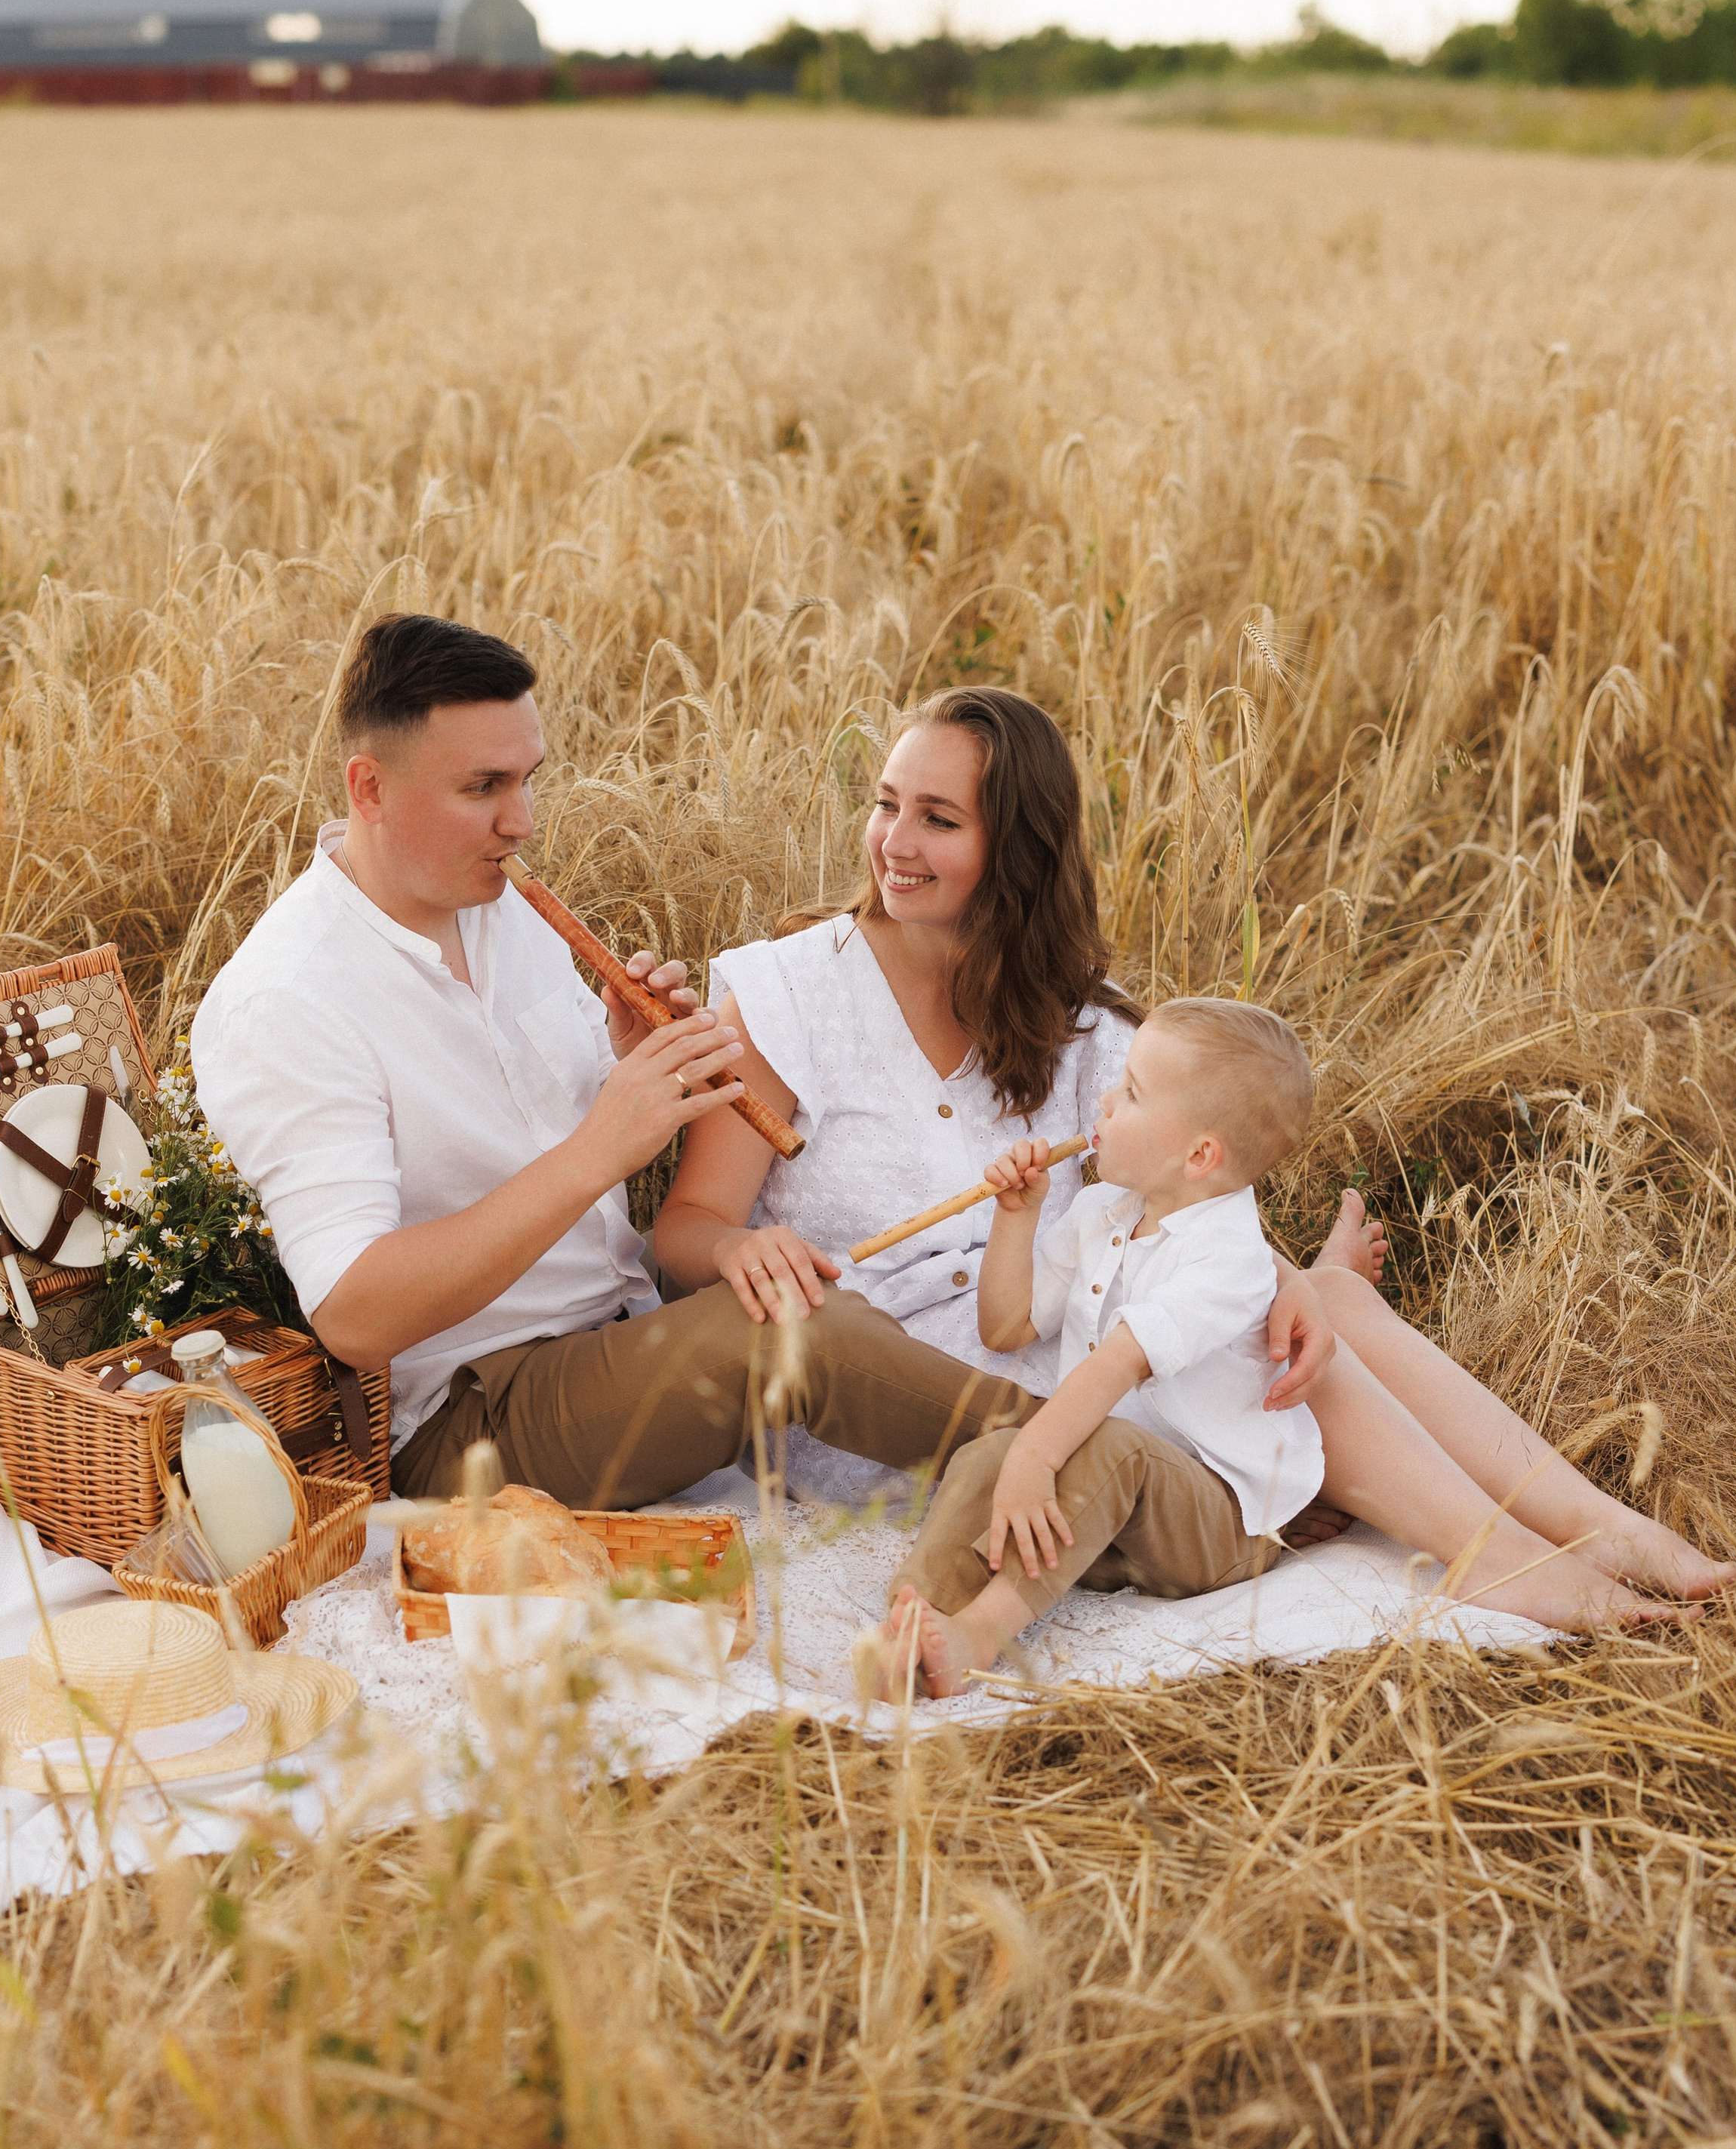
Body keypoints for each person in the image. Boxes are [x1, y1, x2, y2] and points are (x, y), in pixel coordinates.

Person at [189, 615, 1286, 1580]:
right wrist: (599, 1150)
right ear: (369, 789)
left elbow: (549, 1136)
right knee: (793, 1338)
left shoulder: (490, 903)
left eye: (528, 777)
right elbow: (354, 1312)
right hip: (472, 1412)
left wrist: (620, 1058)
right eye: (485, 788)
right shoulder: (290, 1001)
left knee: (795, 1318)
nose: (523, 819)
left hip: (616, 1337)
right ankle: (1137, 1487)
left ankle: (1143, 1472)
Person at [657, 685, 1736, 1630]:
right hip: (904, 1405)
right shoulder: (788, 991)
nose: (894, 842)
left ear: (1018, 848)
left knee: (1318, 1311)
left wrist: (1295, 1291)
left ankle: (1602, 1533)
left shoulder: (1084, 1031)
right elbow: (685, 1229)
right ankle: (1513, 1565)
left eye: (938, 819)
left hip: (1071, 1355)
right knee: (1290, 1329)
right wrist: (744, 1247)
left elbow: (1192, 1216)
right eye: (888, 805)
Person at [870, 998, 1325, 1698]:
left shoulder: (1229, 1257)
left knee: (1098, 1450)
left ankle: (979, 1637)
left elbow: (1118, 1362)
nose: (1106, 1100)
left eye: (1133, 1093)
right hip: (1116, 1506)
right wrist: (1014, 1219)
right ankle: (917, 1615)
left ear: (1200, 1156)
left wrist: (1037, 1453)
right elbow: (1008, 1327)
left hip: (1219, 1522)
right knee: (990, 1452)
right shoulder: (1103, 1212)